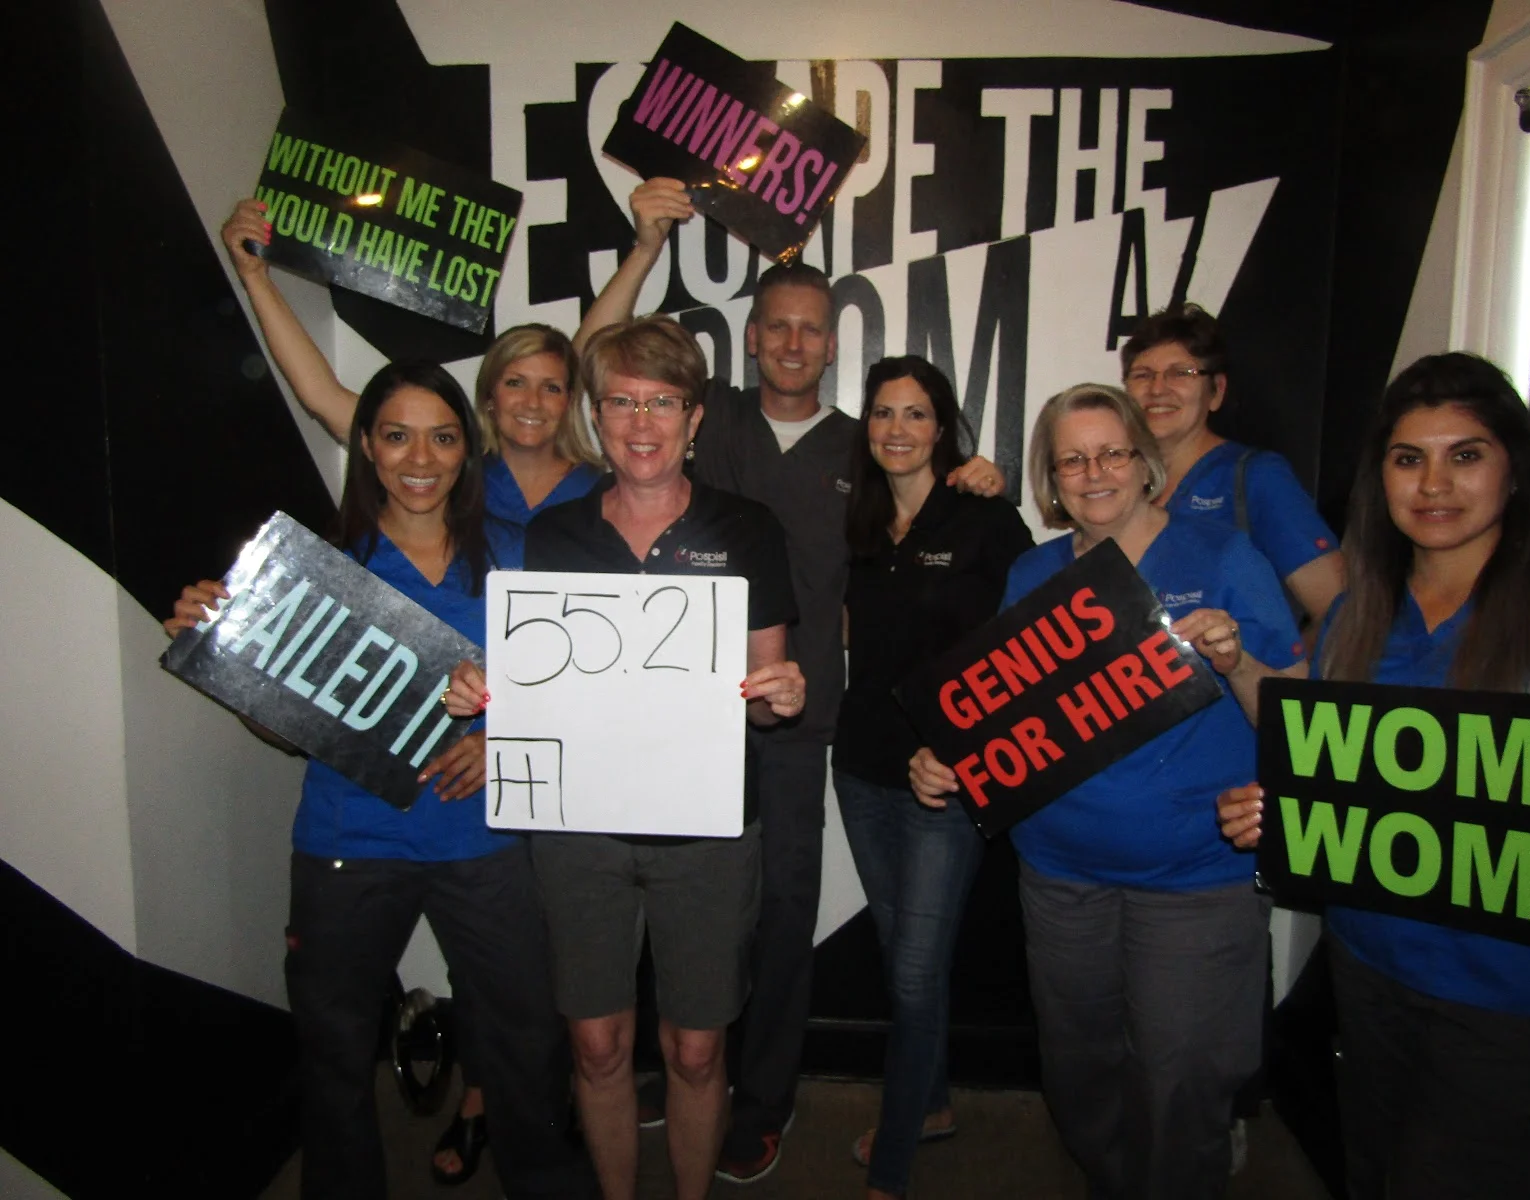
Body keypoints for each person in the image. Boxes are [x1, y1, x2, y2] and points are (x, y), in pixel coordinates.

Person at [575, 177, 1005, 1184]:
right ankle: (687, 1066)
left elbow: (933, 503)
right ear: (752, 335)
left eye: (812, 328)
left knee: (779, 915)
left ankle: (762, 1099)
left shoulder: (863, 445)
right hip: (668, 718)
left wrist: (975, 476)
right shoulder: (705, 417)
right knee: (672, 904)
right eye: (777, 325)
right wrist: (644, 247)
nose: (793, 342)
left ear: (832, 342)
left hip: (794, 726)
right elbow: (596, 357)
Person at [222, 196, 601, 1184]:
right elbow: (283, 730)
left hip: (485, 843)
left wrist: (501, 738)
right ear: (369, 447)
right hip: (349, 845)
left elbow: (575, 690)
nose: (420, 460)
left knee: (524, 1050)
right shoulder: (321, 571)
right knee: (334, 1058)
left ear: (467, 447)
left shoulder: (517, 555)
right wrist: (229, 651)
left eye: (440, 438)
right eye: (396, 437)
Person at [1217, 352, 1530, 1200]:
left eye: (1465, 455)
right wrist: (1288, 809)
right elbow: (1343, 776)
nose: (1433, 484)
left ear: (1513, 468)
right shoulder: (1358, 613)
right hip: (1371, 973)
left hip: (1520, 1002)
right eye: (1407, 458)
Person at [909, 383, 1304, 1198]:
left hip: (1196, 878)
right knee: (1079, 1073)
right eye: (1072, 460)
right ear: (1051, 481)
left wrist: (1238, 663)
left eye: (1112, 453)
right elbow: (1005, 717)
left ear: (1145, 462)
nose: (1095, 474)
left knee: (1182, 1081)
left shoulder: (1224, 557)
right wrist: (943, 760)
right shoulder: (1033, 571)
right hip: (1060, 875)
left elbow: (1294, 721)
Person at [444, 316, 806, 1200]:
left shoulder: (748, 529)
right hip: (582, 833)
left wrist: (782, 694)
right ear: (596, 417)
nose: (642, 423)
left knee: (697, 1049)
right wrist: (483, 690)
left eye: (663, 402)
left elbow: (766, 693)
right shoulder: (554, 535)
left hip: (708, 829)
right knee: (597, 1044)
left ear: (694, 418)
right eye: (621, 403)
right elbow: (535, 679)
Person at [832, 356, 1033, 1199]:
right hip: (863, 767)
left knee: (915, 971)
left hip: (952, 780)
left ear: (942, 428)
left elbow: (1034, 643)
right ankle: (937, 1101)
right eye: (883, 413)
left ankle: (894, 1161)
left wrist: (968, 744)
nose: (897, 430)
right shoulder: (860, 522)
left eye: (916, 414)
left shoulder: (985, 517)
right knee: (902, 958)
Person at [1121, 303, 1344, 632]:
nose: (1157, 388)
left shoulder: (1257, 478)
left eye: (1181, 373)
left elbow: (1340, 612)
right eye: (1143, 375)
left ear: (1217, 391)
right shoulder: (1118, 486)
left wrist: (1283, 663)